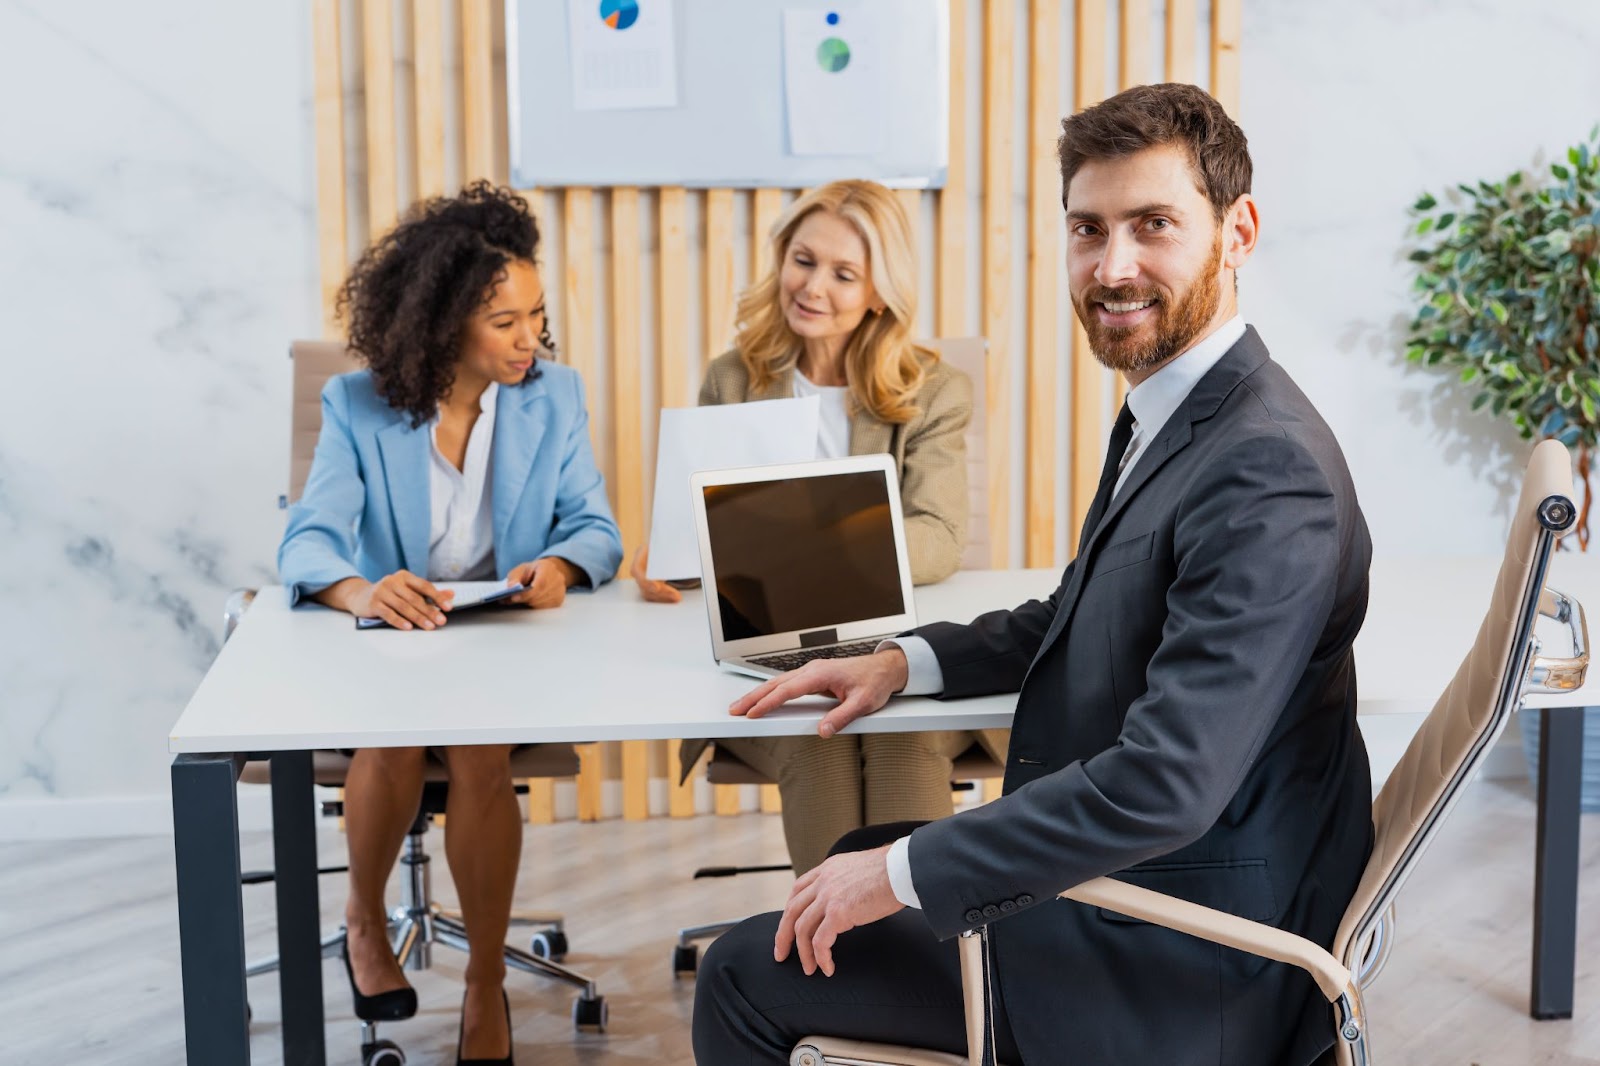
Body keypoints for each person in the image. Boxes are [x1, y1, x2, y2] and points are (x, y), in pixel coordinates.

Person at [692, 84, 1374, 1066]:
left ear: (1237, 231)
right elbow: (1081, 614)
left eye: (1154, 226)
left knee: (740, 974)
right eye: (1087, 229)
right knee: (849, 862)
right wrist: (902, 660)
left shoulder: (1266, 469)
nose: (1113, 266)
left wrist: (911, 869)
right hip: (1166, 893)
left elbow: (1166, 781)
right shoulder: (1183, 408)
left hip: (1184, 960)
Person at [277, 182, 623, 1065]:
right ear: (440, 322)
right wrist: (363, 592)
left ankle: (483, 987)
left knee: (477, 747)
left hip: (498, 643)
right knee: (391, 741)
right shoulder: (361, 406)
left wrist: (560, 566)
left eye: (536, 315)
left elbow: (595, 526)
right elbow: (309, 538)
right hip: (398, 644)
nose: (529, 340)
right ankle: (363, 916)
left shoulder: (554, 396)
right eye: (504, 321)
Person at [630, 179, 1006, 875]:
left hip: (898, 638)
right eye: (803, 260)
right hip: (773, 647)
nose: (813, 287)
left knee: (897, 732)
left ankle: (924, 964)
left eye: (844, 274)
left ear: (878, 292)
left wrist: (798, 556)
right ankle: (830, 963)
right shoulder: (733, 380)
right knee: (820, 734)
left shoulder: (932, 388)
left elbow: (938, 535)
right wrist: (674, 551)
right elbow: (708, 532)